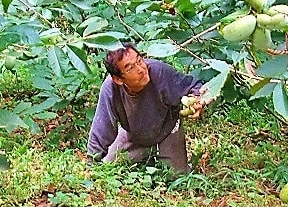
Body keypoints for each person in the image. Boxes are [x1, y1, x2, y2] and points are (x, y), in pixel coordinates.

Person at [86, 43, 209, 173]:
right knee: (109, 167)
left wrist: (198, 100)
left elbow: (194, 86)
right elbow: (101, 128)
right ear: (118, 79)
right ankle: (145, 156)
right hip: (133, 135)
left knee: (177, 177)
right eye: (130, 68)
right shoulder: (110, 89)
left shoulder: (159, 72)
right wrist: (91, 165)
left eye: (139, 60)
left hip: (168, 129)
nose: (141, 69)